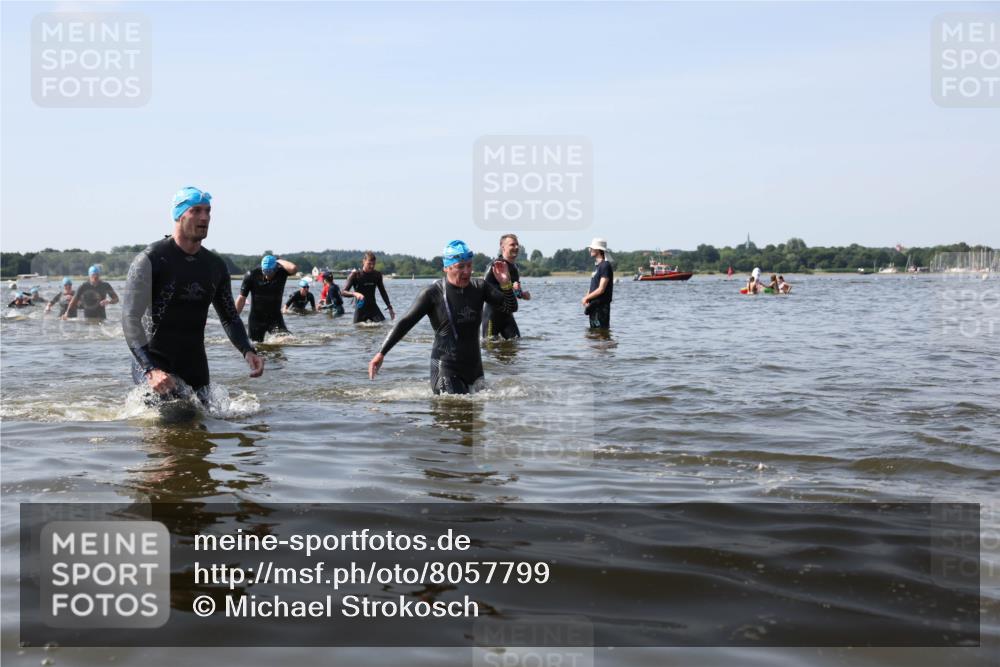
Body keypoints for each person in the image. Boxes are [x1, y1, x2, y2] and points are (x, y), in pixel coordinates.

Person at [122, 186, 263, 403]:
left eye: (208, 211)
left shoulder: (215, 266)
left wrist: (248, 350)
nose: (204, 217)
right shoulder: (151, 260)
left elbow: (229, 316)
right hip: (154, 362)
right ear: (179, 215)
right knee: (165, 418)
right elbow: (130, 318)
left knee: (206, 419)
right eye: (196, 211)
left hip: (194, 364)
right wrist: (150, 369)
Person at [368, 240, 516, 394]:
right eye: (460, 267)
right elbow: (405, 323)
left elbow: (511, 307)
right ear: (446, 267)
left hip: (475, 371)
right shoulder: (433, 293)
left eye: (469, 265)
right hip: (446, 370)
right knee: (456, 407)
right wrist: (381, 353)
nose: (467, 271)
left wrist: (506, 283)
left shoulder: (480, 287)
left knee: (479, 409)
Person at [235, 254, 298, 341]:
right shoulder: (251, 275)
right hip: (256, 319)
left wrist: (278, 260)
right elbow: (242, 298)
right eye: (265, 271)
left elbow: (293, 268)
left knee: (287, 340)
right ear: (262, 268)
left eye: (270, 271)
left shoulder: (281, 272)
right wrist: (233, 318)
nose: (268, 275)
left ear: (276, 268)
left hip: (275, 318)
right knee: (255, 345)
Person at [482, 233, 531, 339]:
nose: (516, 247)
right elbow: (484, 289)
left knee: (516, 342)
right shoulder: (495, 265)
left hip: (507, 314)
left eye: (517, 245)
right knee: (488, 345)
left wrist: (521, 294)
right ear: (503, 247)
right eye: (512, 245)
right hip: (492, 315)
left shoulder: (515, 268)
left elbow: (515, 292)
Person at [343, 251, 395, 323]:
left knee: (384, 326)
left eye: (373, 264)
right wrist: (355, 294)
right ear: (363, 261)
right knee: (357, 328)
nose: (372, 266)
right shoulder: (355, 275)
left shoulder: (377, 275)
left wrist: (389, 307)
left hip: (373, 307)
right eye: (369, 264)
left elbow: (383, 292)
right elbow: (343, 292)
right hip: (360, 308)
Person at [581, 237, 613, 329]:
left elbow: (601, 289)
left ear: (598, 250)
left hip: (601, 306)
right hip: (593, 305)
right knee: (594, 333)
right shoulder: (598, 266)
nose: (590, 250)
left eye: (592, 248)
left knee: (601, 332)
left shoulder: (605, 265)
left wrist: (586, 298)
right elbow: (594, 285)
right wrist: (587, 298)